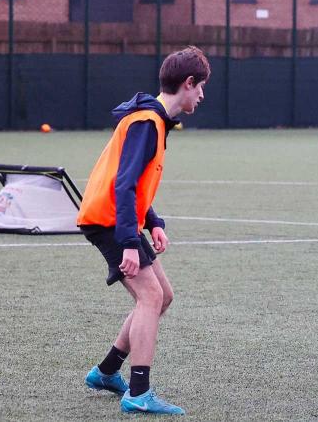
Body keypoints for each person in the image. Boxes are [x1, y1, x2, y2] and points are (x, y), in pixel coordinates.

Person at [77, 46, 210, 413]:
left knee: (162, 296)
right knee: (150, 297)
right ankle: (138, 393)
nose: (202, 95)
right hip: (109, 222)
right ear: (188, 83)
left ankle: (106, 372)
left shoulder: (153, 121)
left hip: (118, 221)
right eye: (200, 87)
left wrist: (154, 223)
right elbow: (122, 186)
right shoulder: (147, 123)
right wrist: (130, 243)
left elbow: (135, 182)